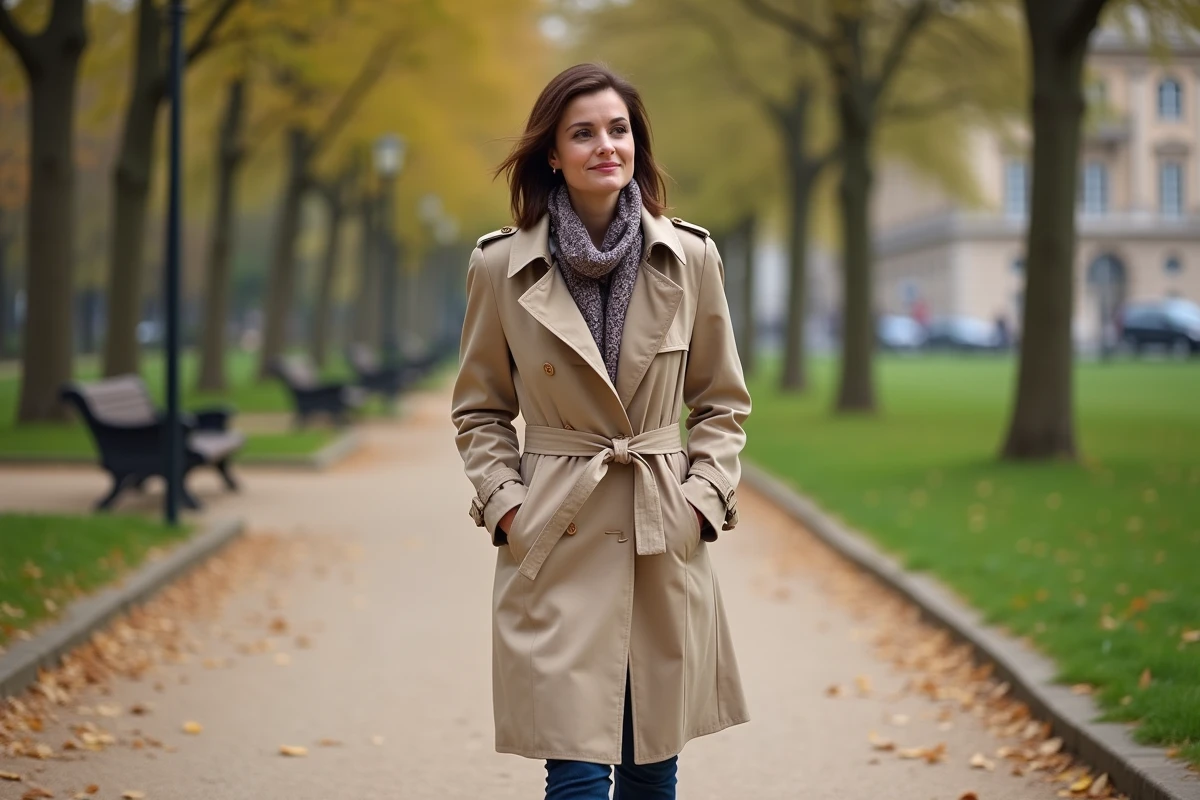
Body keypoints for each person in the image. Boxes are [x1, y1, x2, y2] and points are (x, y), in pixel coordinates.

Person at [450, 63, 751, 800]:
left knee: (652, 764)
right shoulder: (499, 267)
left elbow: (722, 401)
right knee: (576, 769)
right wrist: (509, 506)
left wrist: (701, 499)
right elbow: (479, 409)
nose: (604, 146)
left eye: (618, 130)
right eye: (582, 133)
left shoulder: (691, 257)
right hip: (557, 529)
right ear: (553, 152)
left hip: (660, 525)